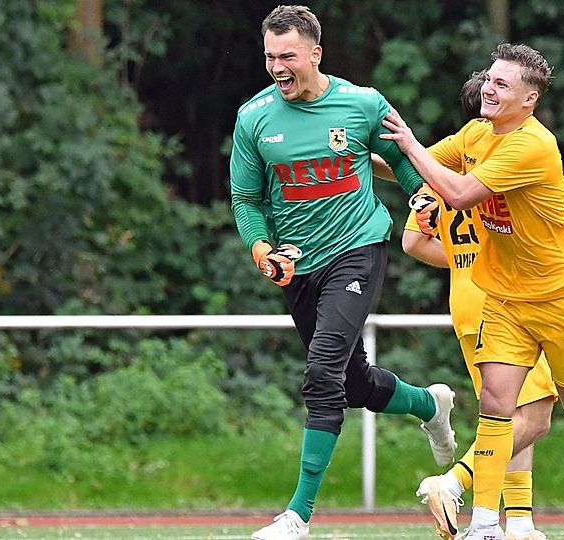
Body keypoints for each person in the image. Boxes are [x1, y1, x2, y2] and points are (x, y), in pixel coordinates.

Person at [381, 42, 564, 539]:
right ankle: (486, 526)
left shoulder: (533, 145)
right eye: (488, 79)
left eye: (501, 84)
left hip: (561, 299)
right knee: (497, 404)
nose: (488, 89)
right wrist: (346, 153)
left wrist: (407, 144)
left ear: (529, 99)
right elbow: (410, 167)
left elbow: (458, 192)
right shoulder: (475, 134)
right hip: (504, 298)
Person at [228, 6, 457, 540]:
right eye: (269, 57)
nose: (277, 67)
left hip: (358, 248)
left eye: (287, 56)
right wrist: (261, 247)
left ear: (316, 54)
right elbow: (245, 199)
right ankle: (430, 404)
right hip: (296, 264)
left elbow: (402, 161)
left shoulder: (362, 103)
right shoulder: (253, 117)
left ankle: (297, 516)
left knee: (322, 373)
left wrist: (420, 196)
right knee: (351, 384)